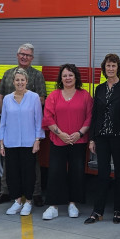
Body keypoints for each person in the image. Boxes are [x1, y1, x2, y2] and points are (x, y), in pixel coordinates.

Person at [0, 43, 46, 207]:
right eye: (22, 54)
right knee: (9, 161)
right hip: (11, 126)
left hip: (29, 128)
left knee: (32, 162)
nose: (24, 57)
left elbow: (41, 98)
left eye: (28, 55)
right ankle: (5, 191)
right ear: (17, 55)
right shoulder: (8, 73)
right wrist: (5, 115)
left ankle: (35, 193)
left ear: (32, 58)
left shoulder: (37, 75)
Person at [85, 53, 120, 224]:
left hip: (119, 137)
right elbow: (95, 115)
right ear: (104, 69)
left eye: (113, 65)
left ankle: (118, 210)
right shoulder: (99, 89)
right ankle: (97, 211)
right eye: (108, 66)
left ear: (118, 68)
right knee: (102, 175)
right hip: (102, 138)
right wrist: (92, 138)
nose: (110, 68)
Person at [41, 64, 93, 220]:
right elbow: (48, 117)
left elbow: (90, 117)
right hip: (58, 140)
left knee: (76, 172)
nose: (68, 78)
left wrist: (79, 133)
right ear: (60, 78)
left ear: (76, 77)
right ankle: (53, 206)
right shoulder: (54, 96)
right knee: (56, 172)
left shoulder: (85, 96)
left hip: (78, 141)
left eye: (71, 75)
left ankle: (72, 204)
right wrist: (60, 133)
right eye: (65, 75)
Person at [0, 68, 45, 216]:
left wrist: (37, 140)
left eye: (22, 80)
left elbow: (39, 120)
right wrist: (1, 143)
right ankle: (17, 201)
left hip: (28, 143)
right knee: (13, 173)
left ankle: (28, 202)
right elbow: (3, 122)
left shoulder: (34, 97)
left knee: (28, 173)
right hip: (11, 142)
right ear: (13, 82)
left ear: (27, 82)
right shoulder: (7, 99)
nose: (20, 82)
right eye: (17, 80)